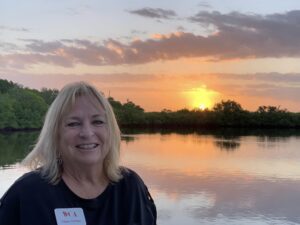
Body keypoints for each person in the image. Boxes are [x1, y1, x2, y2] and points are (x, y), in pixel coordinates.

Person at [0, 81, 157, 225]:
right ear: (55, 134)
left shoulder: (130, 187)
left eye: (98, 122)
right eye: (73, 123)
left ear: (111, 131)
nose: (87, 133)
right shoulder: (27, 193)